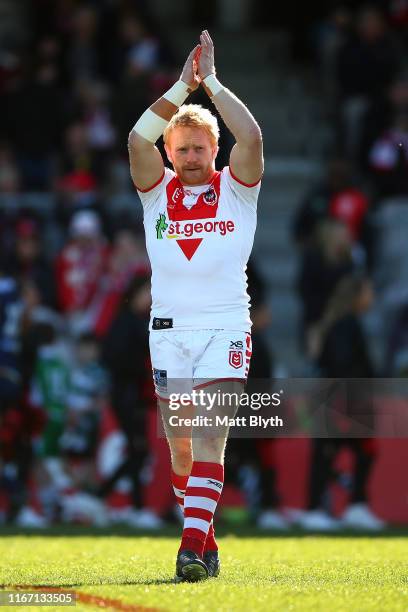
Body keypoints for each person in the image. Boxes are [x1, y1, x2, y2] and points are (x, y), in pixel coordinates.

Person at [128, 30, 263, 581]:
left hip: (225, 326)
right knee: (181, 453)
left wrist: (212, 85)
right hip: (168, 331)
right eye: (180, 148)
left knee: (211, 436)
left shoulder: (238, 187)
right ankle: (205, 538)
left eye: (198, 148)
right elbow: (136, 141)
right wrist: (182, 86)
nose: (188, 157)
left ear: (214, 151)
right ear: (170, 150)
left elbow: (251, 134)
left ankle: (187, 549)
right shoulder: (154, 189)